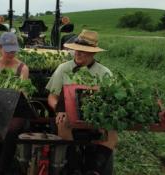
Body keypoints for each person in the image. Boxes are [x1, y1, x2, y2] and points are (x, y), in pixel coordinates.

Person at [46, 29, 118, 175]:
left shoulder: (104, 73)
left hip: (94, 115)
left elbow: (111, 100)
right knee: (63, 121)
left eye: (83, 51)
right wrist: (58, 109)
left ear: (93, 53)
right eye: (77, 50)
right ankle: (74, 165)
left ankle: (95, 168)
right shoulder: (64, 68)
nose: (78, 53)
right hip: (68, 114)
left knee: (112, 131)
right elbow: (52, 97)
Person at [0, 32, 29, 174]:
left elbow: (23, 94)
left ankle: (0, 168)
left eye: (13, 49)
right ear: (0, 48)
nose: (11, 53)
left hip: (16, 111)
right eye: (7, 49)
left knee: (10, 130)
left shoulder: (22, 68)